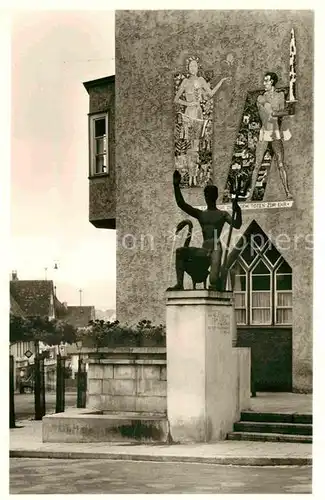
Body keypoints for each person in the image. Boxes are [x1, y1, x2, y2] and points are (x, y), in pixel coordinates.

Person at [168, 169, 242, 291]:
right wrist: (176, 186)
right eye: (206, 195)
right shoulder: (201, 214)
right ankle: (179, 284)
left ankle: (217, 283)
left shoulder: (223, 214)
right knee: (180, 252)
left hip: (215, 249)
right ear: (205, 197)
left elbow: (237, 225)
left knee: (213, 281)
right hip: (204, 249)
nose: (208, 197)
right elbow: (181, 204)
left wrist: (238, 210)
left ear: (215, 197)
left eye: (210, 196)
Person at [248, 72, 293, 200]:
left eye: (267, 80)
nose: (264, 83)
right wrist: (274, 112)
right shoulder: (261, 98)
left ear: (272, 82)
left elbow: (283, 112)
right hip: (265, 132)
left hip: (275, 132)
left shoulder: (279, 96)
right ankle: (250, 195)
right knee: (257, 164)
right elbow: (267, 111)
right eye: (264, 80)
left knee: (280, 163)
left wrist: (275, 112)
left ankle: (287, 191)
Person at [174, 59, 230, 151]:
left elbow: (211, 93)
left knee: (197, 139)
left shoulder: (201, 80)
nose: (193, 68)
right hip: (188, 112)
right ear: (187, 68)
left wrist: (221, 82)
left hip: (198, 111)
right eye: (191, 66)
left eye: (195, 66)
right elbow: (176, 99)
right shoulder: (185, 82)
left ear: (198, 68)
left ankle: (196, 161)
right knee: (189, 140)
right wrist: (189, 103)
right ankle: (189, 159)